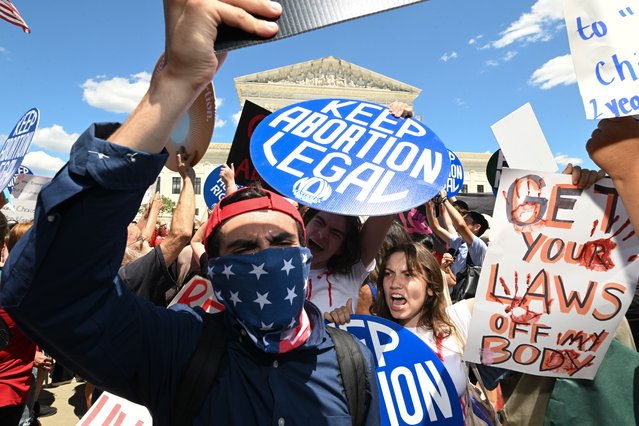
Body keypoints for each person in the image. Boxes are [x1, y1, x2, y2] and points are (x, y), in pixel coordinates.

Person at [0, 1, 380, 424]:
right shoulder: (179, 349)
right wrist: (174, 86)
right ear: (213, 269)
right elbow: (52, 291)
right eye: (242, 249)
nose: (265, 257)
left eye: (280, 242)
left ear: (304, 251)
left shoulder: (352, 362)